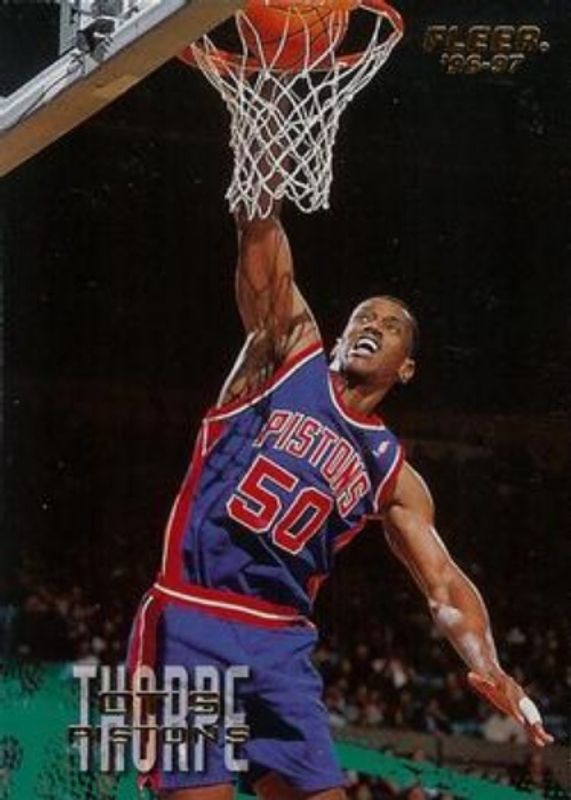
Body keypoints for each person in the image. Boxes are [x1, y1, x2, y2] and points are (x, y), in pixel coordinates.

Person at [128, 206, 552, 800]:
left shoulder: (393, 473)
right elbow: (263, 252)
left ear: (406, 367)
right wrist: (263, 187)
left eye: (391, 324)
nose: (372, 324)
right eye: (362, 317)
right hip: (192, 612)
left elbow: (443, 584)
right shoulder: (285, 359)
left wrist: (490, 665)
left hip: (281, 641)